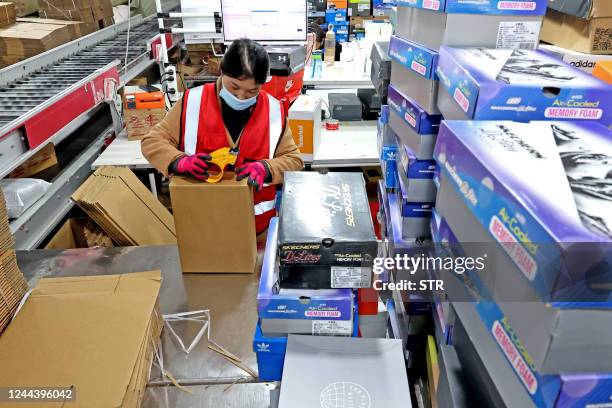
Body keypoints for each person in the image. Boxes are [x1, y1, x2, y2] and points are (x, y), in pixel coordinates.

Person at [142, 39, 304, 235]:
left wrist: (267, 168)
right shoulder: (192, 102)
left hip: (256, 231)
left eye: (252, 91)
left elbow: (294, 160)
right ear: (222, 72)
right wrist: (178, 161)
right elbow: (152, 141)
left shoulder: (274, 110)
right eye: (234, 87)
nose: (241, 97)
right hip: (203, 227)